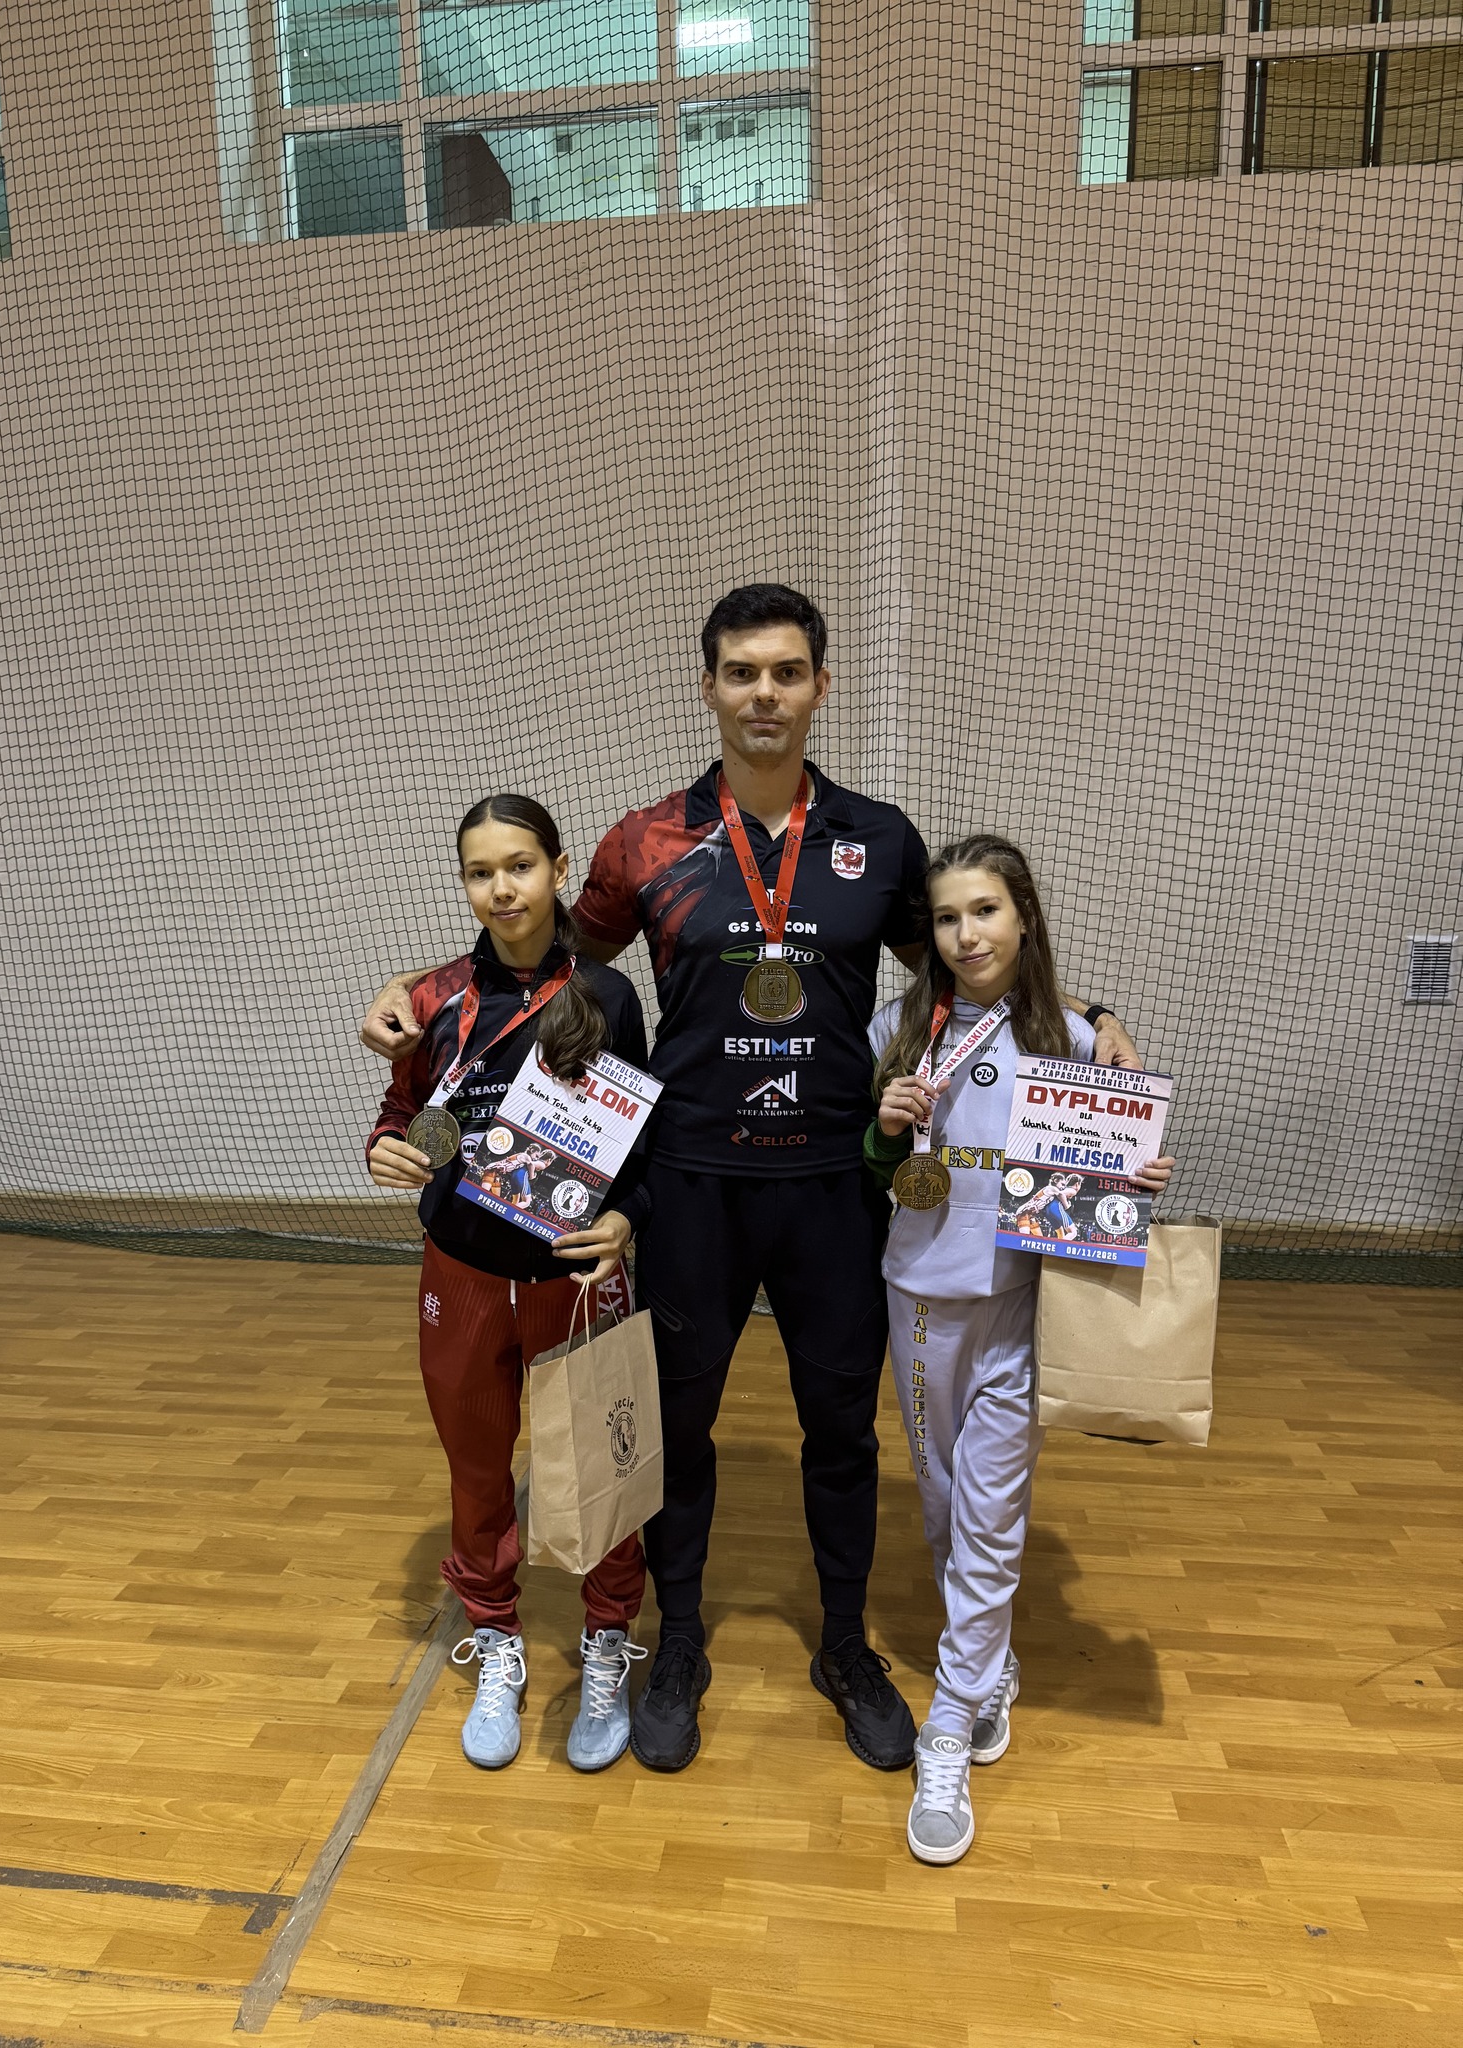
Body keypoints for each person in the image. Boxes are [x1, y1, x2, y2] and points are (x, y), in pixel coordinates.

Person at [359, 586, 1142, 1776]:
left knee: (841, 1430)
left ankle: (845, 1646)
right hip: (692, 1186)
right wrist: (416, 991)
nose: (763, 692)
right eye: (741, 672)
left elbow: (966, 960)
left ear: (820, 685)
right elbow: (544, 951)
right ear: (710, 687)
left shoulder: (878, 837)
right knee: (678, 1425)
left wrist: (1089, 1010)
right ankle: (677, 1645)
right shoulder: (645, 840)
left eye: (785, 671)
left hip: (835, 1189)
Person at [864, 834, 1174, 1864]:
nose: (968, 934)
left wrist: (1137, 1173)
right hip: (920, 1303)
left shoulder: (1077, 1041)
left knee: (992, 1512)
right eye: (949, 917)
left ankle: (949, 1725)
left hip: (1027, 1306)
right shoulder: (896, 1028)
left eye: (986, 910)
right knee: (944, 1502)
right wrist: (883, 1127)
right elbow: (868, 1172)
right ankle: (985, 1660)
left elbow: (1107, 1169)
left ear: (1024, 916)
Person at [365, 794, 653, 1774]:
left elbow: (643, 1141)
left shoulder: (609, 995)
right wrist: (387, 1148)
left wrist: (628, 1217)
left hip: (574, 1276)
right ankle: (497, 1638)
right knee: (478, 1467)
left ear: (560, 871)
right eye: (481, 871)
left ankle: (607, 1638)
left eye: (520, 865)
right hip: (465, 1273)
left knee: (603, 1465)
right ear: (464, 884)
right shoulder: (435, 999)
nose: (502, 887)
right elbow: (402, 1106)